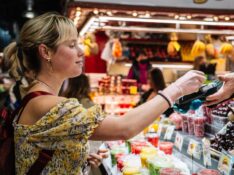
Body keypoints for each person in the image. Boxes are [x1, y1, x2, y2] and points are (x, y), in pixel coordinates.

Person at [4, 12, 205, 175]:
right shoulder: (50, 105)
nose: (81, 51)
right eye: (72, 45)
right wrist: (175, 89)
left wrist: (75, 158)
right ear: (45, 52)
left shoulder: (35, 97)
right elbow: (124, 128)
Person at [62, 74, 108, 175]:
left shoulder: (62, 104)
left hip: (67, 160)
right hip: (88, 160)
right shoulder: (90, 106)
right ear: (86, 86)